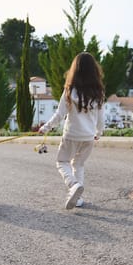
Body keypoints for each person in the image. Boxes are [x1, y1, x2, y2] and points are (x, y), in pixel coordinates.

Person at [39, 52, 105, 209]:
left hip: (71, 135)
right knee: (79, 165)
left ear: (74, 70)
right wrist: (98, 132)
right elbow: (102, 117)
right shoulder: (99, 92)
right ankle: (78, 198)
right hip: (89, 137)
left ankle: (73, 184)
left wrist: (45, 128)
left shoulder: (70, 90)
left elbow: (60, 114)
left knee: (62, 162)